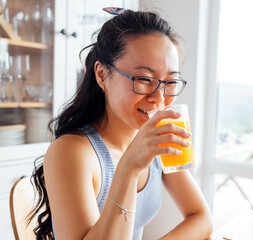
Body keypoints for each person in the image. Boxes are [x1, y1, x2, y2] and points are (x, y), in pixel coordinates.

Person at [29, 8, 213, 240]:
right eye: (144, 79)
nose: (159, 98)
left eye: (170, 81)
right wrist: (128, 168)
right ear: (102, 74)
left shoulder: (154, 140)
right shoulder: (72, 152)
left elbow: (202, 217)